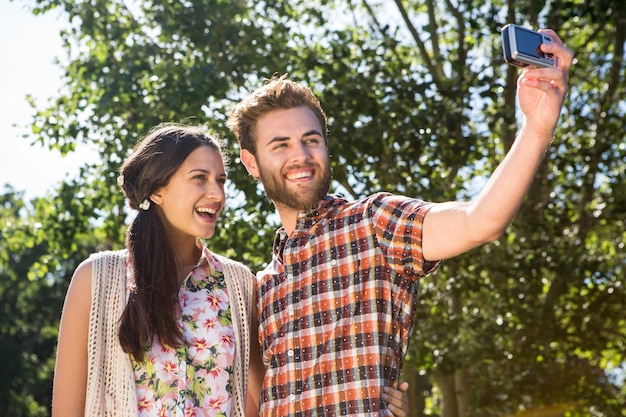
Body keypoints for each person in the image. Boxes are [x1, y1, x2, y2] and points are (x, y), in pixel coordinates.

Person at [226, 30, 573, 416]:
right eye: (280, 145)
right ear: (251, 162)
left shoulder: (373, 223)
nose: (301, 155)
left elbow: (480, 221)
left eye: (312, 139)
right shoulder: (258, 288)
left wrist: (536, 127)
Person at [51, 123, 409, 417]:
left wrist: (376, 402)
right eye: (199, 178)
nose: (217, 194)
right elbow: (67, 409)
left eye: (220, 181)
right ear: (157, 190)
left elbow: (276, 399)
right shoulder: (97, 278)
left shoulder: (238, 284)